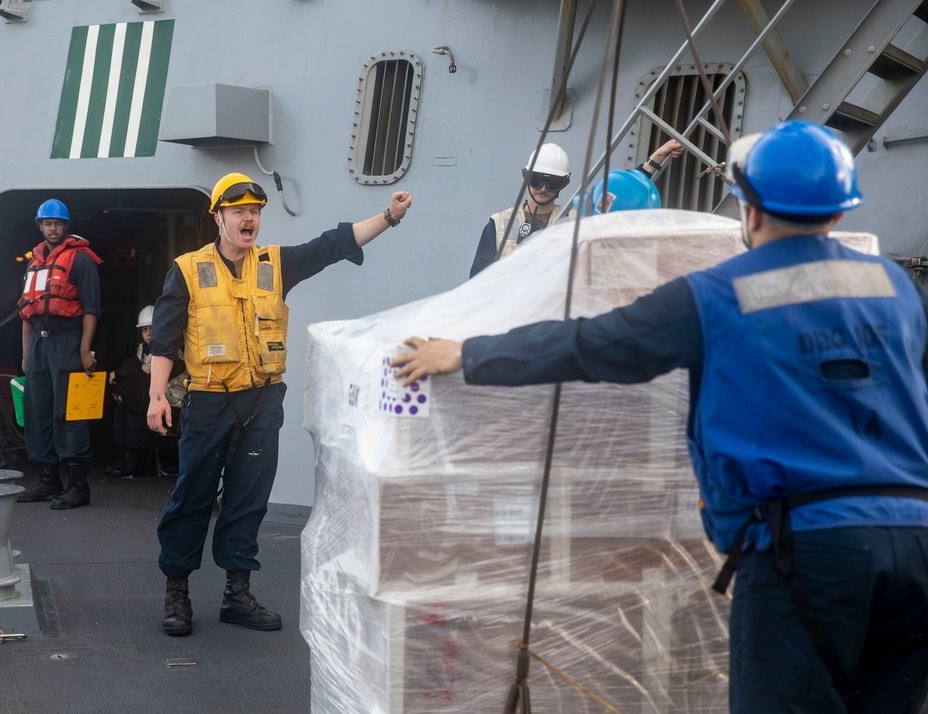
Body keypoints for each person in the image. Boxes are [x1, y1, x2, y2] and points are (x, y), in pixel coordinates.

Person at [393, 121, 928, 713]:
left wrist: (467, 352)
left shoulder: (718, 294)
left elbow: (593, 344)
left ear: (750, 209)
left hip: (810, 551)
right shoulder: (898, 289)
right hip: (918, 546)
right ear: (838, 212)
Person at [147, 172, 413, 637]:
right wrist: (156, 397)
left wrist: (389, 217)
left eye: (254, 211)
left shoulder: (276, 264)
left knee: (249, 501)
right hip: (208, 401)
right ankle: (177, 592)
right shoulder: (187, 270)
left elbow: (332, 245)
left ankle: (236, 593)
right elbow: (165, 342)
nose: (248, 218)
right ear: (219, 217)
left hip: (262, 401)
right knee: (192, 497)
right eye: (238, 211)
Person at [468, 139, 684, 277]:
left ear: (563, 184)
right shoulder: (498, 223)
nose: (543, 188)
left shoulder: (574, 218)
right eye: (537, 180)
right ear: (526, 179)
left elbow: (617, 198)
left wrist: (655, 159)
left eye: (552, 182)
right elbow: (478, 281)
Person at [16, 198, 102, 510]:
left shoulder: (81, 260)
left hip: (68, 340)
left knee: (70, 413)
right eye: (47, 223)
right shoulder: (34, 264)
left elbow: (92, 309)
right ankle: (48, 481)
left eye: (58, 223)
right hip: (38, 344)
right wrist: (27, 355)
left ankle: (78, 487)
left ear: (66, 227)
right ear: (40, 226)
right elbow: (26, 313)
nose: (53, 228)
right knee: (38, 411)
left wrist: (84, 348)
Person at [104, 305, 168, 478]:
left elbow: (148, 372)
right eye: (144, 330)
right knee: (121, 410)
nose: (148, 334)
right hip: (148, 398)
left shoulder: (169, 347)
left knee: (135, 408)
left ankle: (137, 460)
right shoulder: (142, 349)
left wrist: (133, 371)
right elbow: (131, 366)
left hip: (170, 400)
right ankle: (128, 457)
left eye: (152, 329)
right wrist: (130, 370)